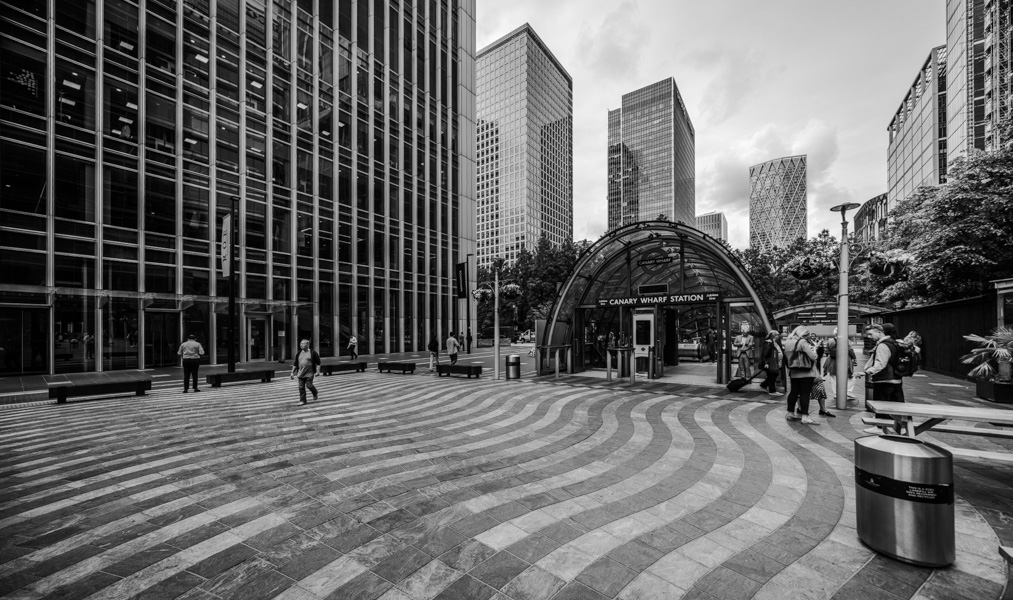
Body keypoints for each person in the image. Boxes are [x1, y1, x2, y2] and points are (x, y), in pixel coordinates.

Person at [855, 323, 904, 406]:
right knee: (896, 407)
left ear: (879, 332)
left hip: (885, 381)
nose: (869, 337)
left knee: (882, 408)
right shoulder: (893, 342)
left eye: (870, 334)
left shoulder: (883, 345)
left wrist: (866, 372)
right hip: (895, 380)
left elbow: (880, 364)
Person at [783, 325, 820, 425]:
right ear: (804, 334)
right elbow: (813, 357)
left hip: (793, 372)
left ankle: (790, 413)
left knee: (793, 392)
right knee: (805, 394)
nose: (808, 337)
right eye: (807, 335)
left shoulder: (788, 341)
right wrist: (814, 349)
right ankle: (805, 417)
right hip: (806, 373)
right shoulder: (802, 342)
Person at [824, 327, 857, 404]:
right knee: (849, 375)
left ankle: (836, 393)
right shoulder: (846, 340)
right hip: (844, 360)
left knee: (833, 377)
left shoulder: (830, 341)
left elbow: (826, 351)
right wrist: (854, 358)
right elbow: (850, 350)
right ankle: (847, 391)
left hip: (832, 361)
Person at [291, 338, 321, 405]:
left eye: (303, 344)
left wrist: (317, 371)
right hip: (300, 373)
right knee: (301, 387)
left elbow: (318, 363)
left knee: (309, 385)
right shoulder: (299, 353)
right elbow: (295, 363)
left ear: (307, 344)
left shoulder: (313, 353)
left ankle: (315, 392)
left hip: (309, 373)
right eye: (300, 344)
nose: (301, 345)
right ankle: (303, 400)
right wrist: (292, 372)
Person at [758, 330, 783, 396]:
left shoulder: (774, 342)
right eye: (777, 335)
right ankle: (772, 390)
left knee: (773, 375)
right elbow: (765, 354)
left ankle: (764, 385)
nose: (778, 336)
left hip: (774, 362)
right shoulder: (769, 343)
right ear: (774, 336)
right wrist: (766, 362)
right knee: (772, 375)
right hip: (771, 362)